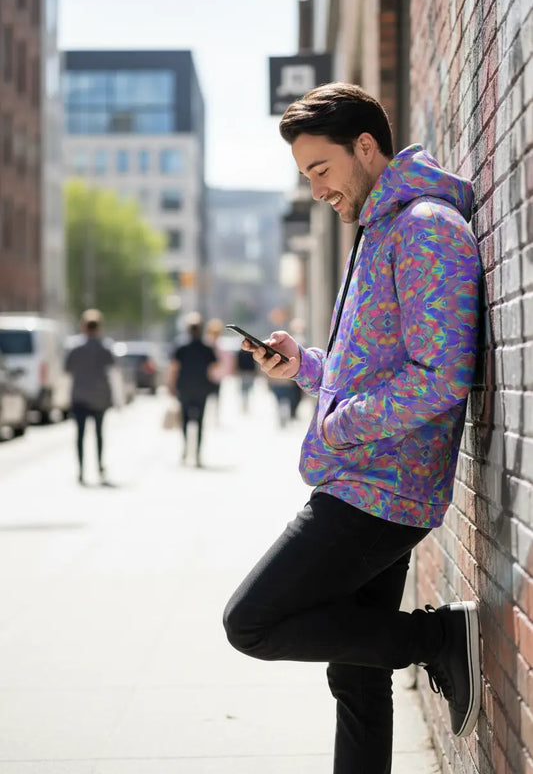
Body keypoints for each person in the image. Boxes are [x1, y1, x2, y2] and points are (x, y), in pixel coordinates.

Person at [223, 82, 482, 773]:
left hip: (379, 488)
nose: (316, 190)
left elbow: (440, 376)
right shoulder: (380, 228)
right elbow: (377, 362)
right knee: (355, 675)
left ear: (365, 147)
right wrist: (306, 366)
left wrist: (339, 427)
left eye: (321, 169)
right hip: (369, 476)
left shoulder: (424, 228)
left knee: (252, 622)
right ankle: (426, 644)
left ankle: (435, 639)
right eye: (305, 175)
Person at [65, 309, 115, 485]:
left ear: (83, 327)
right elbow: (113, 373)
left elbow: (67, 370)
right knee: (99, 434)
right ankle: (99, 467)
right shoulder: (105, 348)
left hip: (79, 397)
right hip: (100, 398)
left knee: (80, 436)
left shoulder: (75, 349)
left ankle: (81, 471)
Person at [167, 312, 217, 467]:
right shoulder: (206, 347)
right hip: (202, 388)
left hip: (185, 387)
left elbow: (174, 368)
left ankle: (185, 450)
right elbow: (213, 367)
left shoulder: (181, 346)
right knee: (200, 422)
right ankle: (197, 454)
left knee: (185, 421)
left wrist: (170, 386)